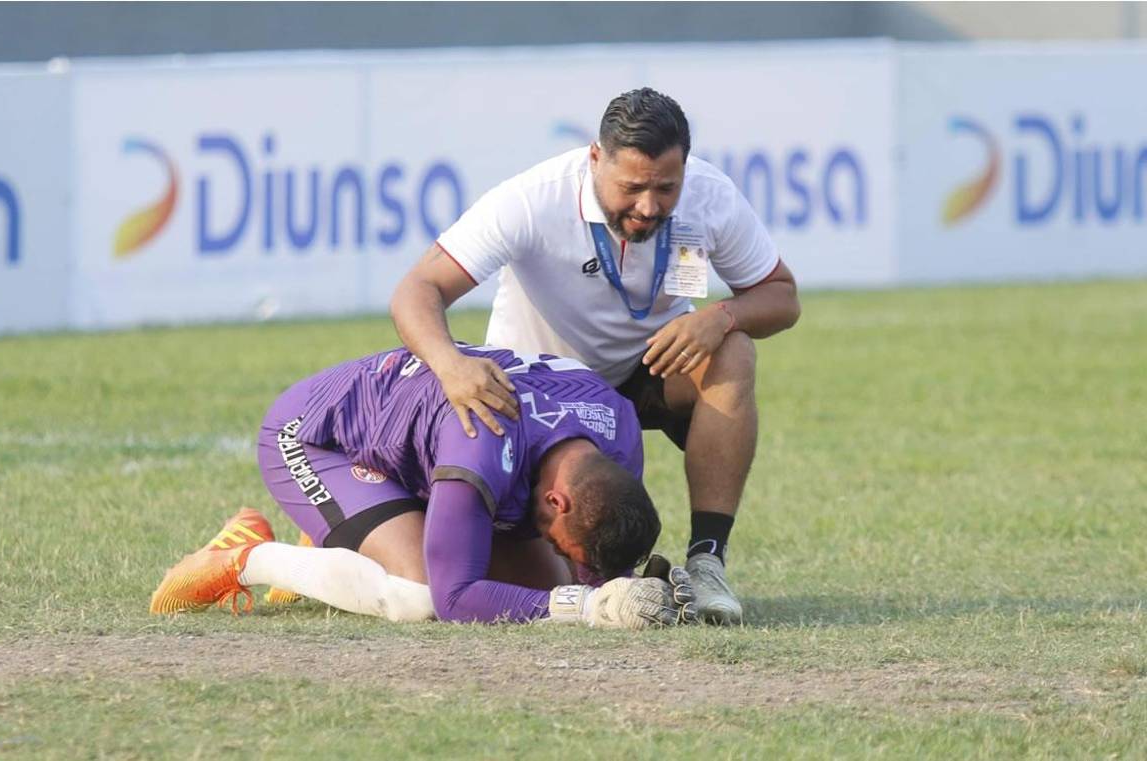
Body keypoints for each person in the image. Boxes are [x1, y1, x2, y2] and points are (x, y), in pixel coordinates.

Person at [390, 88, 801, 625]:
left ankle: (706, 565)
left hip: (648, 368)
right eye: (632, 187)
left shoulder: (710, 195)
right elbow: (417, 289)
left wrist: (721, 316)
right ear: (594, 159)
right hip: (541, 400)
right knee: (519, 582)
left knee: (734, 352)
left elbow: (782, 296)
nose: (649, 205)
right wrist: (450, 365)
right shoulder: (532, 200)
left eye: (665, 188)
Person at [149, 343, 695, 629]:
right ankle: (246, 555)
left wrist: (619, 589)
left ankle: (340, 535)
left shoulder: (618, 431)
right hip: (320, 435)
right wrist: (589, 608)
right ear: (556, 499)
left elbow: (592, 553)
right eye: (556, 536)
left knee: (542, 584)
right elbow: (457, 600)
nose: (553, 546)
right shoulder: (482, 440)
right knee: (418, 594)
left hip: (423, 449)